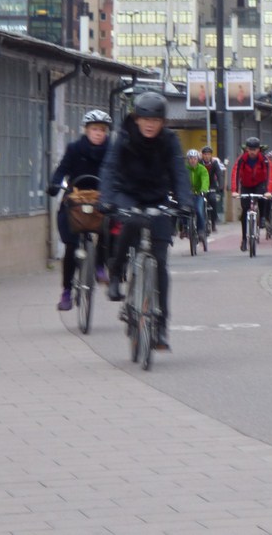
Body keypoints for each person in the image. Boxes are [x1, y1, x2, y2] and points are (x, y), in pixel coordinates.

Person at [99, 91, 192, 351]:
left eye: (156, 119)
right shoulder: (124, 137)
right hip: (127, 194)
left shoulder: (170, 140)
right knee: (130, 223)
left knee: (160, 261)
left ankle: (160, 328)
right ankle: (116, 273)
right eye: (145, 118)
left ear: (163, 122)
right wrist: (107, 199)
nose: (150, 124)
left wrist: (185, 203)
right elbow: (109, 167)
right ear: (136, 118)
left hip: (157, 197)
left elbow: (179, 171)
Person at [47, 109, 112, 312]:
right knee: (71, 246)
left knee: (109, 228)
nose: (98, 133)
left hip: (101, 199)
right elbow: (62, 170)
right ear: (86, 130)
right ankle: (67, 291)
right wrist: (55, 183)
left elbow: (119, 173)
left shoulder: (112, 151)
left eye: (102, 130)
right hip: (76, 200)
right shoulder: (75, 149)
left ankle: (100, 266)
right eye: (94, 129)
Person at [230, 136, 272, 251]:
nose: (252, 152)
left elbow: (270, 175)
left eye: (255, 149)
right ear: (247, 149)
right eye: (250, 149)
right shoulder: (241, 160)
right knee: (245, 211)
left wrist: (268, 191)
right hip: (246, 186)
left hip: (260, 184)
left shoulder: (264, 160)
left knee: (264, 197)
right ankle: (244, 239)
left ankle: (263, 217)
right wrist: (234, 191)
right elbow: (235, 174)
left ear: (258, 149)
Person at [184, 148, 210, 237]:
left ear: (197, 159)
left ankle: (201, 230)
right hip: (187, 194)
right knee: (183, 209)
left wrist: (203, 190)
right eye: (190, 158)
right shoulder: (184, 169)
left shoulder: (202, 169)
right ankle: (184, 228)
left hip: (199, 193)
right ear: (188, 159)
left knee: (199, 210)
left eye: (194, 158)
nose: (192, 160)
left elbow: (205, 180)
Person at [200, 146, 224, 232]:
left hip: (211, 186)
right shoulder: (199, 163)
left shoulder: (214, 164)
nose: (206, 156)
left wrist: (221, 186)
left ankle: (213, 222)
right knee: (199, 203)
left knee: (213, 200)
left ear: (211, 155)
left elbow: (219, 174)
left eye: (208, 154)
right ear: (202, 155)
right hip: (200, 186)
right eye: (205, 154)